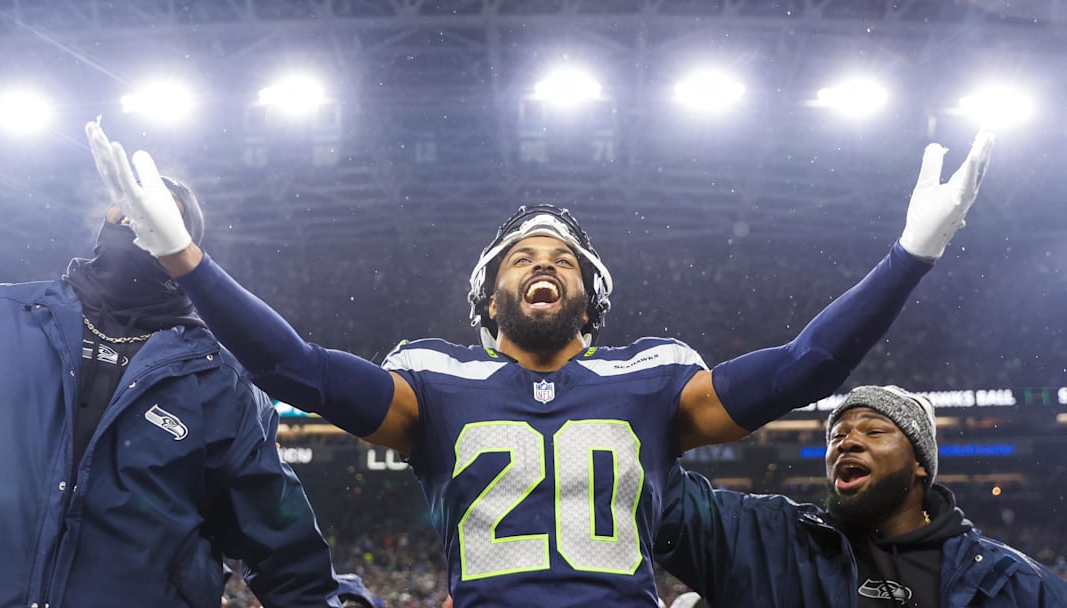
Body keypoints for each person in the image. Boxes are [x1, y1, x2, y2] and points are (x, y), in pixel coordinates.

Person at [85, 120, 993, 606]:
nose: (543, 260)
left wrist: (908, 255)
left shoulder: (655, 379)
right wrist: (186, 262)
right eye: (522, 255)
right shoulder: (433, 385)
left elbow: (803, 365)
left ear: (592, 300)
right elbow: (294, 366)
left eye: (561, 255)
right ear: (488, 299)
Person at [0, 171, 366, 607]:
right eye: (126, 205)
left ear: (183, 244)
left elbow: (289, 559)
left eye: (165, 209)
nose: (138, 214)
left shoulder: (221, 382)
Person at [655, 385, 1067, 607]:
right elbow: (656, 494)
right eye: (837, 436)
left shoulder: (1013, 583)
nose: (846, 443)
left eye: (873, 431)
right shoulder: (769, 540)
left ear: (920, 463)